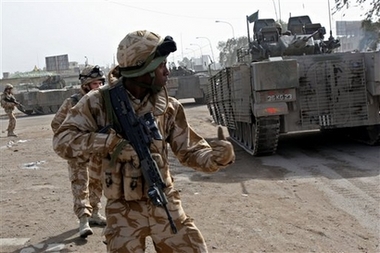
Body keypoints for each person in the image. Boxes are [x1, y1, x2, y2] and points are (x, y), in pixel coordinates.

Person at [53, 30, 235, 252]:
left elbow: (188, 150)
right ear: (143, 69)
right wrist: (109, 143)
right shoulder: (98, 102)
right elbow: (62, 141)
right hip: (122, 210)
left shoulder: (168, 106)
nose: (167, 72)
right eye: (161, 66)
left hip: (164, 199)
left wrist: (215, 158)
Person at [51, 65, 107, 238]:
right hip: (78, 153)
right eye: (93, 84)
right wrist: (73, 141)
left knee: (96, 182)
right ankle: (83, 219)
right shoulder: (73, 102)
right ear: (85, 85)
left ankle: (95, 213)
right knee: (80, 184)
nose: (97, 86)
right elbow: (56, 124)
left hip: (96, 151)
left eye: (99, 83)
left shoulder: (102, 101)